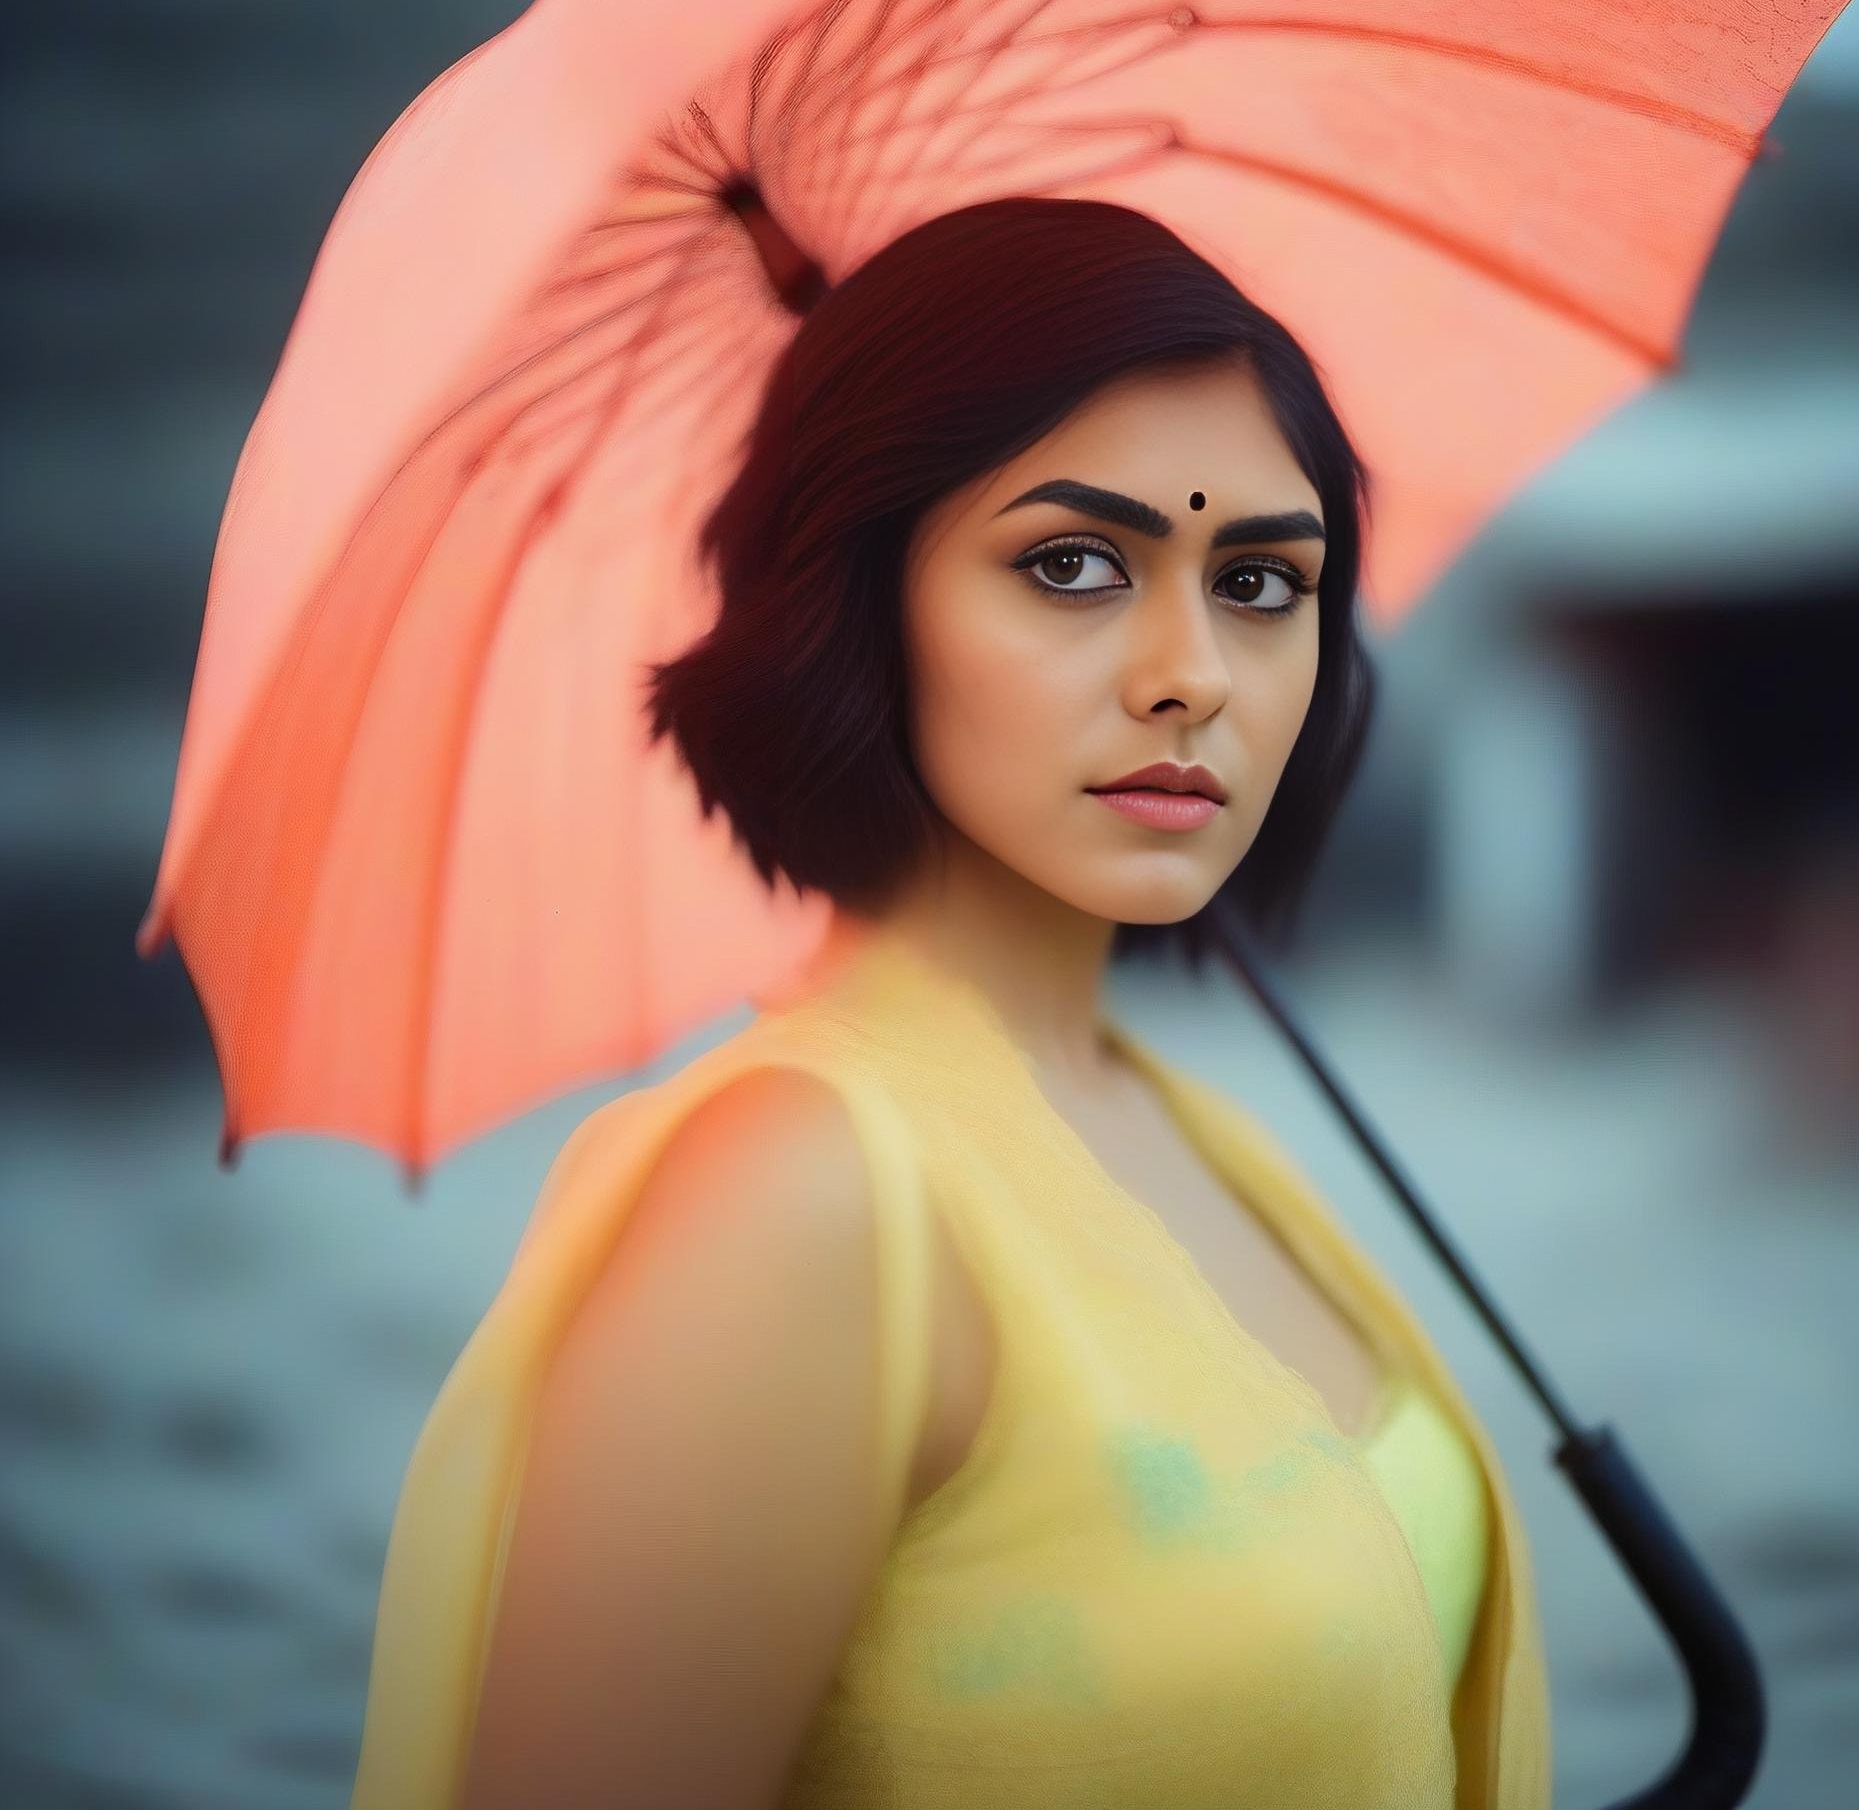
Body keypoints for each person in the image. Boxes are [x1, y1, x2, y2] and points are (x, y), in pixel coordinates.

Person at [348, 196, 1550, 1810]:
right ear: (864, 599)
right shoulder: (808, 1205)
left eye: (1262, 581)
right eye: (1074, 563)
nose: (1193, 670)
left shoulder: (1180, 1117)